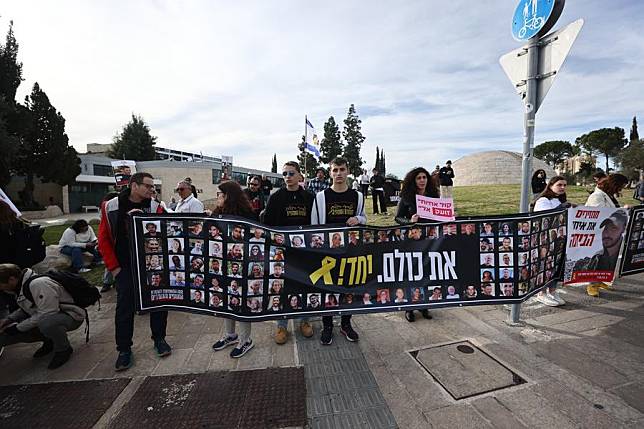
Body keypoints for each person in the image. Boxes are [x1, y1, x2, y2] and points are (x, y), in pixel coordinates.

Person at [99, 172, 171, 371]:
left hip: (152, 266)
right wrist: (114, 269)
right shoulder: (111, 206)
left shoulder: (156, 207)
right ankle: (124, 350)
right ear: (134, 186)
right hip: (124, 267)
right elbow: (103, 239)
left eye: (153, 186)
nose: (151, 190)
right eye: (148, 186)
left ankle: (159, 339)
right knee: (124, 308)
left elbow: (170, 230)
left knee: (158, 303)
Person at [312, 157, 367, 345]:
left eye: (342, 169)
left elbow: (364, 218)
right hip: (327, 253)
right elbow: (314, 225)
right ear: (330, 173)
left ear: (348, 171)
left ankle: (345, 323)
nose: (338, 174)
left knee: (348, 288)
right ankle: (327, 326)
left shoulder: (358, 196)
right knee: (327, 290)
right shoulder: (321, 197)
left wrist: (358, 219)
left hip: (350, 252)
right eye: (335, 170)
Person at [0, 264, 86, 369]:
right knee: (9, 334)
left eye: (1, 285)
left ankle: (63, 349)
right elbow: (28, 307)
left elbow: (47, 313)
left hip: (72, 315)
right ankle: (49, 341)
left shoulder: (38, 284)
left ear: (11, 279)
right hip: (55, 315)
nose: (1, 288)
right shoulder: (20, 286)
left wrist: (17, 328)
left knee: (47, 323)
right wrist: (9, 319)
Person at [211, 181, 257, 358]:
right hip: (223, 265)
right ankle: (230, 335)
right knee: (226, 298)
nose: (217, 198)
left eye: (220, 194)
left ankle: (246, 340)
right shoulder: (218, 213)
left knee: (242, 301)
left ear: (228, 196)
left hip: (243, 266)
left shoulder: (247, 214)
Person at [394, 167, 439, 321]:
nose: (422, 180)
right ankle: (409, 308)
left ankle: (424, 305)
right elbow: (398, 218)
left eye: (424, 177)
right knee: (412, 274)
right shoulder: (407, 197)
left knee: (427, 272)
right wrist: (409, 221)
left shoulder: (434, 196)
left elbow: (440, 216)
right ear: (414, 181)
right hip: (412, 241)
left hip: (430, 241)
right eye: (418, 178)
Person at [583, 173, 629, 297]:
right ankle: (592, 284)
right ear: (615, 184)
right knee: (598, 258)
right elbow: (599, 214)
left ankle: (599, 281)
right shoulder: (597, 196)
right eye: (621, 187)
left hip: (609, 233)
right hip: (599, 233)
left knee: (607, 259)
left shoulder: (608, 195)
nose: (621, 190)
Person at [532, 176, 569, 307]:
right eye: (559, 185)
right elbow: (546, 217)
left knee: (556, 265)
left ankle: (552, 291)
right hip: (545, 239)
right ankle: (541, 293)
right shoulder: (543, 200)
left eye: (565, 185)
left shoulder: (559, 200)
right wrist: (562, 207)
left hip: (559, 238)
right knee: (545, 266)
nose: (563, 187)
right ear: (551, 185)